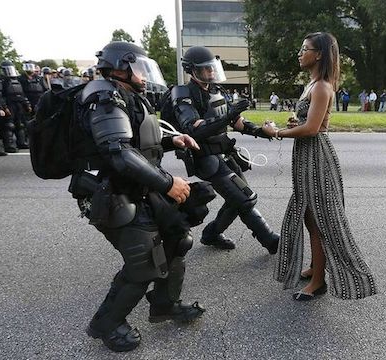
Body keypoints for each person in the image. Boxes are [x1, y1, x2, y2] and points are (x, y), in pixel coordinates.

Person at [70, 41, 206, 352]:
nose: (144, 77)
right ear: (120, 68)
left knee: (177, 239)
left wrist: (174, 140)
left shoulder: (124, 95)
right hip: (112, 193)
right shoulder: (104, 97)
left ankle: (164, 304)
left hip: (138, 188)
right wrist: (168, 182)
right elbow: (119, 153)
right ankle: (106, 324)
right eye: (138, 69)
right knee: (143, 263)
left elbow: (138, 142)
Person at [262, 32, 377, 301]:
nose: (300, 53)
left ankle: (318, 282)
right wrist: (295, 124)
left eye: (305, 49)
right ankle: (316, 267)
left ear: (320, 54)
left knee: (319, 219)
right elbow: (307, 123)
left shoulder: (323, 86)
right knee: (308, 215)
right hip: (306, 156)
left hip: (317, 157)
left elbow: (313, 129)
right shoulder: (312, 85)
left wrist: (276, 132)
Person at [168, 46, 280, 253]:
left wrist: (262, 132)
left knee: (237, 198)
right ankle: (271, 240)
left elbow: (237, 122)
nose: (210, 72)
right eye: (205, 69)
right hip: (205, 158)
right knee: (244, 198)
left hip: (225, 153)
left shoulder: (217, 91)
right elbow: (193, 129)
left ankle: (211, 234)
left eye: (212, 68)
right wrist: (227, 117)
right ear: (191, 70)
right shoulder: (183, 93)